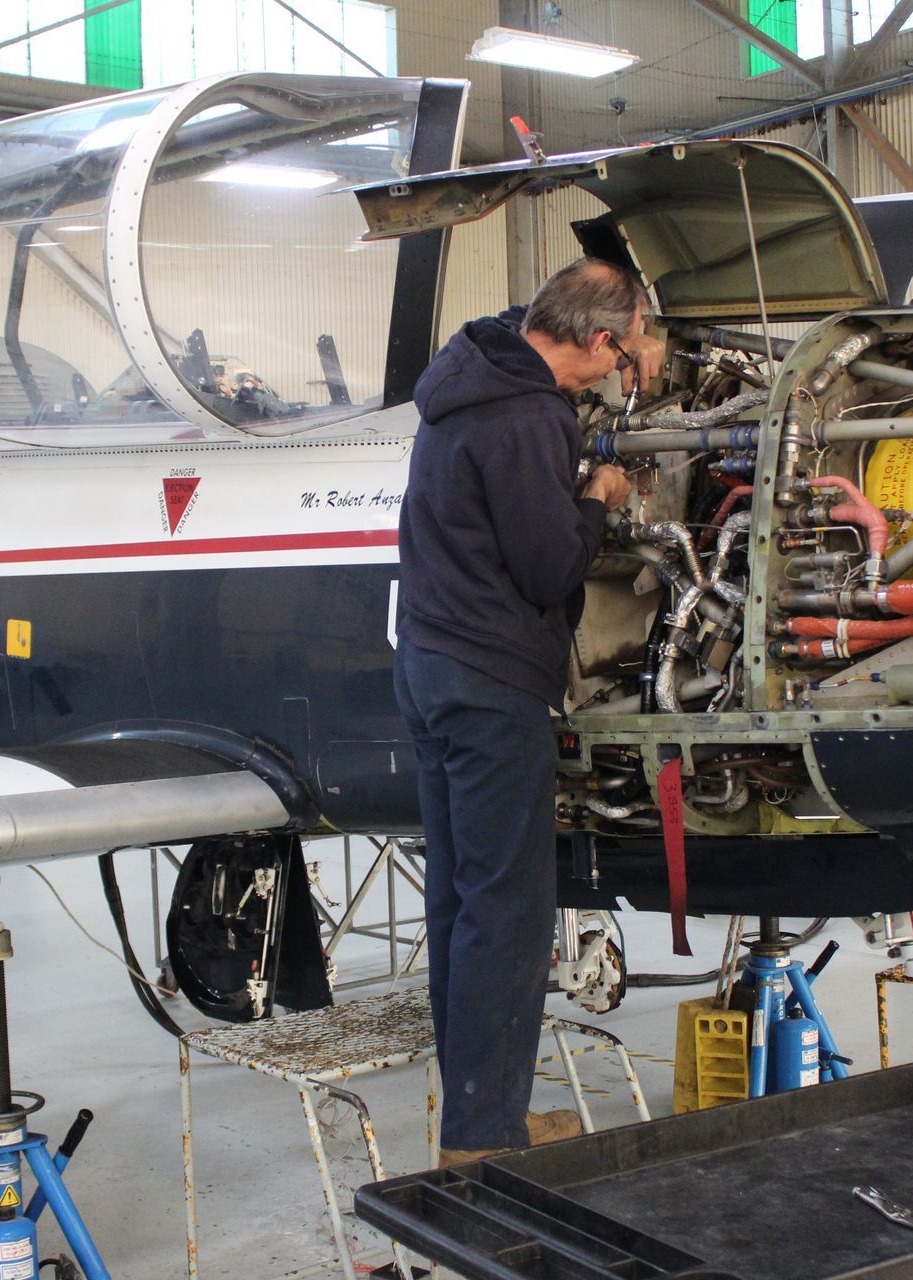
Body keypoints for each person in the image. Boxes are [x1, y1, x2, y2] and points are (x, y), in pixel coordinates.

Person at [393, 258, 662, 1164]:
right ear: (595, 341)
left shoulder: (478, 370)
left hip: (429, 663)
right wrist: (597, 496)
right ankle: (484, 1141)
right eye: (619, 354)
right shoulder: (528, 417)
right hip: (491, 683)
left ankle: (476, 1121)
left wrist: (641, 336)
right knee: (507, 914)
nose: (619, 371)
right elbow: (549, 569)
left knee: (460, 902)